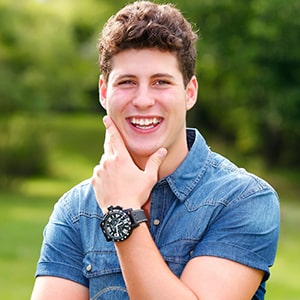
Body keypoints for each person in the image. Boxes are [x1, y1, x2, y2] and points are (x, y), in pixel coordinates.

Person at [31, 1, 280, 299]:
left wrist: (122, 213)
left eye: (161, 82)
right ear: (103, 92)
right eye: (127, 82)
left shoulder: (244, 200)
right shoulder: (75, 211)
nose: (144, 100)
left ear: (189, 93)